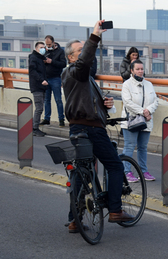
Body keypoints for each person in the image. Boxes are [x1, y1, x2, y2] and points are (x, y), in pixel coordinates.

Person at [62, 19, 134, 232]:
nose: (84, 53)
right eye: (80, 50)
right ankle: (115, 210)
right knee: (114, 165)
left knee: (80, 173)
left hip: (78, 128)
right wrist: (95, 36)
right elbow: (84, 64)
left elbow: (85, 101)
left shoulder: (82, 78)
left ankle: (75, 219)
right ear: (71, 57)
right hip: (91, 129)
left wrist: (105, 104)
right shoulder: (74, 71)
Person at [120, 59, 159, 183]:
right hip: (131, 121)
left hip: (146, 121)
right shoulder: (127, 84)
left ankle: (143, 171)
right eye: (137, 69)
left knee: (143, 147)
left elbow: (155, 101)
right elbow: (128, 103)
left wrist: (148, 111)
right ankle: (126, 172)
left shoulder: (149, 84)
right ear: (132, 70)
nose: (140, 71)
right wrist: (144, 112)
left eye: (142, 69)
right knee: (129, 146)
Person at [40, 35, 67, 127]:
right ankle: (46, 118)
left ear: (53, 43)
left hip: (55, 78)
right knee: (46, 100)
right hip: (46, 78)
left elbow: (63, 64)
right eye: (46, 44)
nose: (48, 46)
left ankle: (61, 119)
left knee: (58, 100)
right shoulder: (43, 51)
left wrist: (52, 61)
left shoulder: (60, 51)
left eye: (49, 44)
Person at [28, 41, 48, 137]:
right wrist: (41, 80)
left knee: (40, 107)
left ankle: (35, 127)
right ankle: (34, 128)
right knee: (39, 108)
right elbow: (32, 71)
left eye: (44, 47)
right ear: (36, 48)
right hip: (37, 85)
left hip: (42, 86)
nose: (43, 49)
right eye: (41, 47)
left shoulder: (40, 58)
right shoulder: (33, 58)